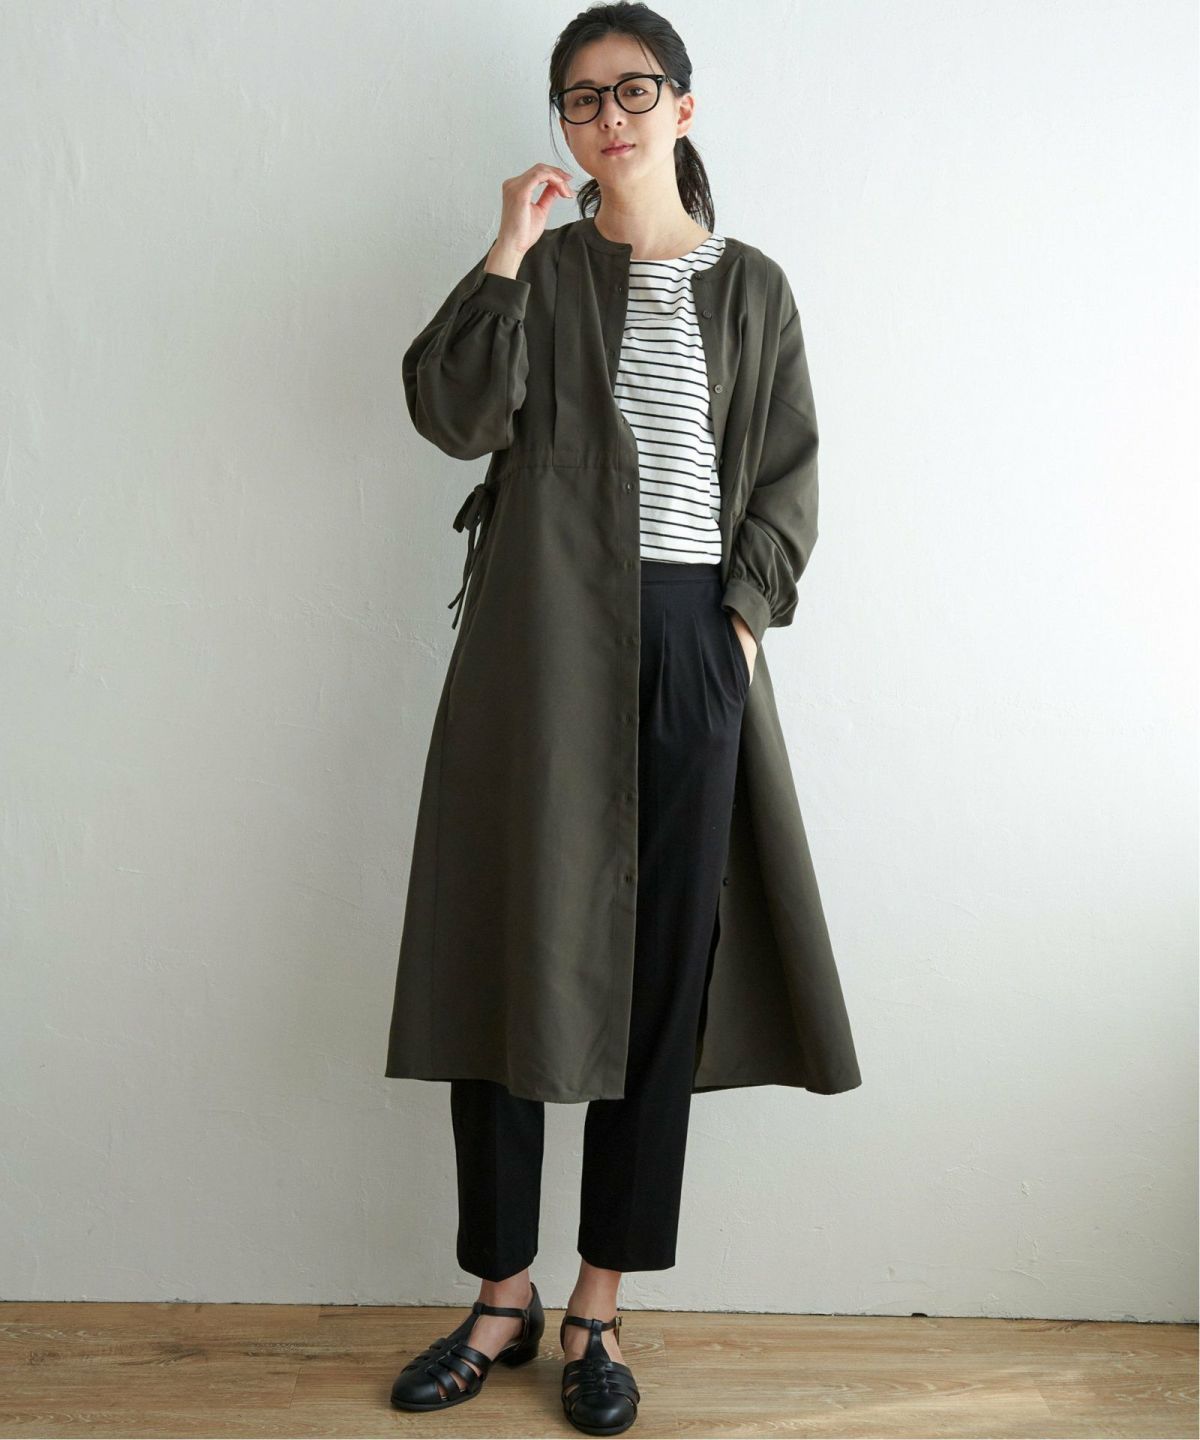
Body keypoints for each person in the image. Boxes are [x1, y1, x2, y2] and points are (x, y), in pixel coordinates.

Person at [389, 4, 861, 1433]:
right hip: (538, 646)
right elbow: (452, 415)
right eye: (583, 98)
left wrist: (737, 627)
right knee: (509, 951)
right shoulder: (538, 275)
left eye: (635, 89)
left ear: (684, 107)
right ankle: (501, 1293)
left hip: (689, 643)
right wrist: (507, 244)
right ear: (565, 125)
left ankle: (598, 1302)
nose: (610, 116)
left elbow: (787, 479)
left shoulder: (753, 287)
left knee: (664, 977)